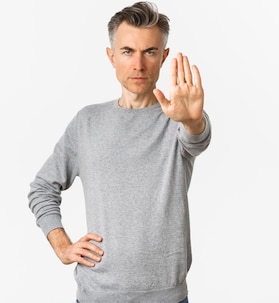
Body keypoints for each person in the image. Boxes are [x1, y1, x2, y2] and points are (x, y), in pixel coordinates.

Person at [27, 2, 211, 302]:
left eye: (150, 52)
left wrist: (193, 120)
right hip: (97, 294)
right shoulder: (87, 121)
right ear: (111, 56)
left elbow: (197, 139)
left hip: (167, 297)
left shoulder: (178, 119)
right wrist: (61, 244)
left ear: (163, 57)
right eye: (127, 51)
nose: (138, 65)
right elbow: (42, 188)